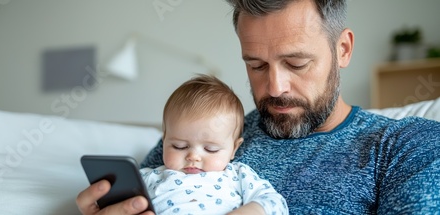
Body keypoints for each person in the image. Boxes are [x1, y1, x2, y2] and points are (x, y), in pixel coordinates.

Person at [77, 0, 440, 214]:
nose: (275, 87)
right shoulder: (201, 133)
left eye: (297, 64)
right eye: (256, 66)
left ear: (342, 50)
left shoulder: (406, 145)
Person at [139, 74, 288, 215]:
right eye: (179, 146)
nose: (193, 157)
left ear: (233, 149)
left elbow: (275, 202)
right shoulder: (149, 177)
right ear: (164, 140)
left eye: (211, 149)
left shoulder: (237, 176)